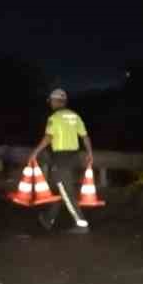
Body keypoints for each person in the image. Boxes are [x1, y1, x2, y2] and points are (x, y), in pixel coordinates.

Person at [27, 88, 95, 232]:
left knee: (65, 190)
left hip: (61, 159)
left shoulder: (54, 118)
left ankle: (81, 223)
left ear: (57, 101)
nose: (50, 104)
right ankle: (48, 219)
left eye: (51, 101)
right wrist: (90, 153)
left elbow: (48, 137)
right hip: (74, 157)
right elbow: (85, 136)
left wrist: (35, 152)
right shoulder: (75, 116)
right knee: (58, 189)